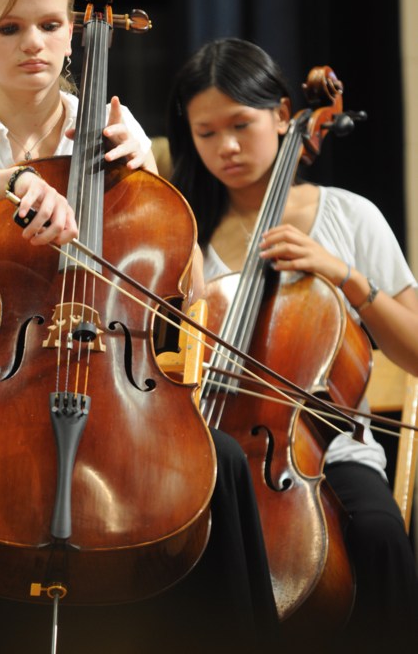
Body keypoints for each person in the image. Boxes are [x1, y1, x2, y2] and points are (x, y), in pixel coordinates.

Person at [0, 0, 279, 654]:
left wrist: (145, 176)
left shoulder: (107, 129)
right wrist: (11, 181)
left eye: (49, 24)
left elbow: (188, 287)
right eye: (9, 27)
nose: (33, 43)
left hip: (109, 388)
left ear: (74, 31)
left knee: (219, 464)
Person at [165, 36, 418, 653]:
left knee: (379, 537)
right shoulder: (187, 233)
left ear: (283, 116)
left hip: (328, 458)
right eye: (205, 133)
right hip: (212, 453)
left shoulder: (350, 216)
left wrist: (344, 276)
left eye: (241, 125)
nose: (226, 147)